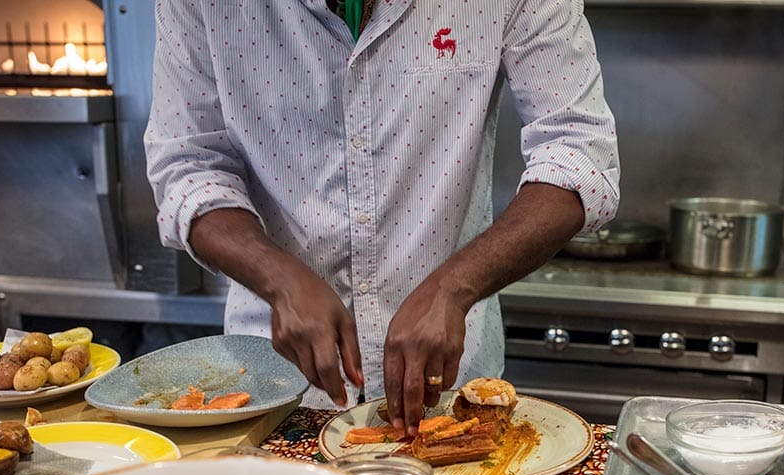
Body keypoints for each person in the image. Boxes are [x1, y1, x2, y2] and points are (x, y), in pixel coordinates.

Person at [145, 0, 619, 435]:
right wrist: (276, 277)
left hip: (447, 393)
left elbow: (578, 151)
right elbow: (189, 165)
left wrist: (455, 286)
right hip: (274, 391)